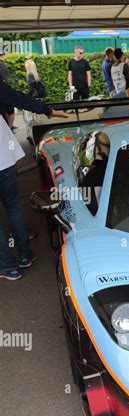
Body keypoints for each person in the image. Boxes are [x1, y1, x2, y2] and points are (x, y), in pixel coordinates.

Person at [0, 82, 67, 280]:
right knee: (13, 207)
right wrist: (48, 110)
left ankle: (8, 266)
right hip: (4, 157)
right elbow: (18, 98)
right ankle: (25, 254)